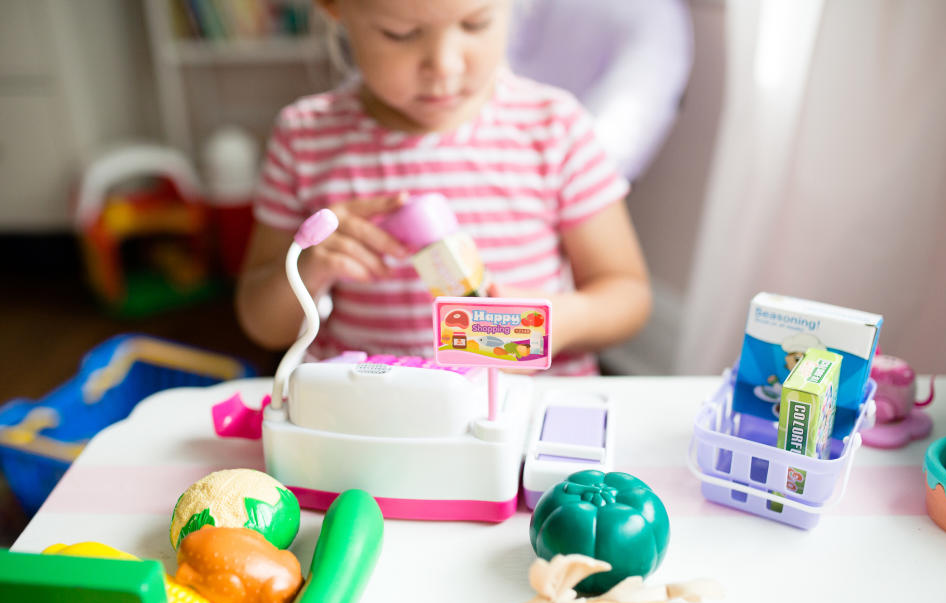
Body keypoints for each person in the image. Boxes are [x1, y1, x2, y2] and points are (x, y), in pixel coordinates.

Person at [237, 0, 652, 375]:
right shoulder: (305, 137)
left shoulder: (554, 127)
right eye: (400, 33)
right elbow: (263, 324)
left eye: (476, 24)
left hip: (525, 416)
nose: (445, 65)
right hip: (374, 415)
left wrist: (559, 321)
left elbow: (627, 295)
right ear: (334, 7)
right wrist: (309, 268)